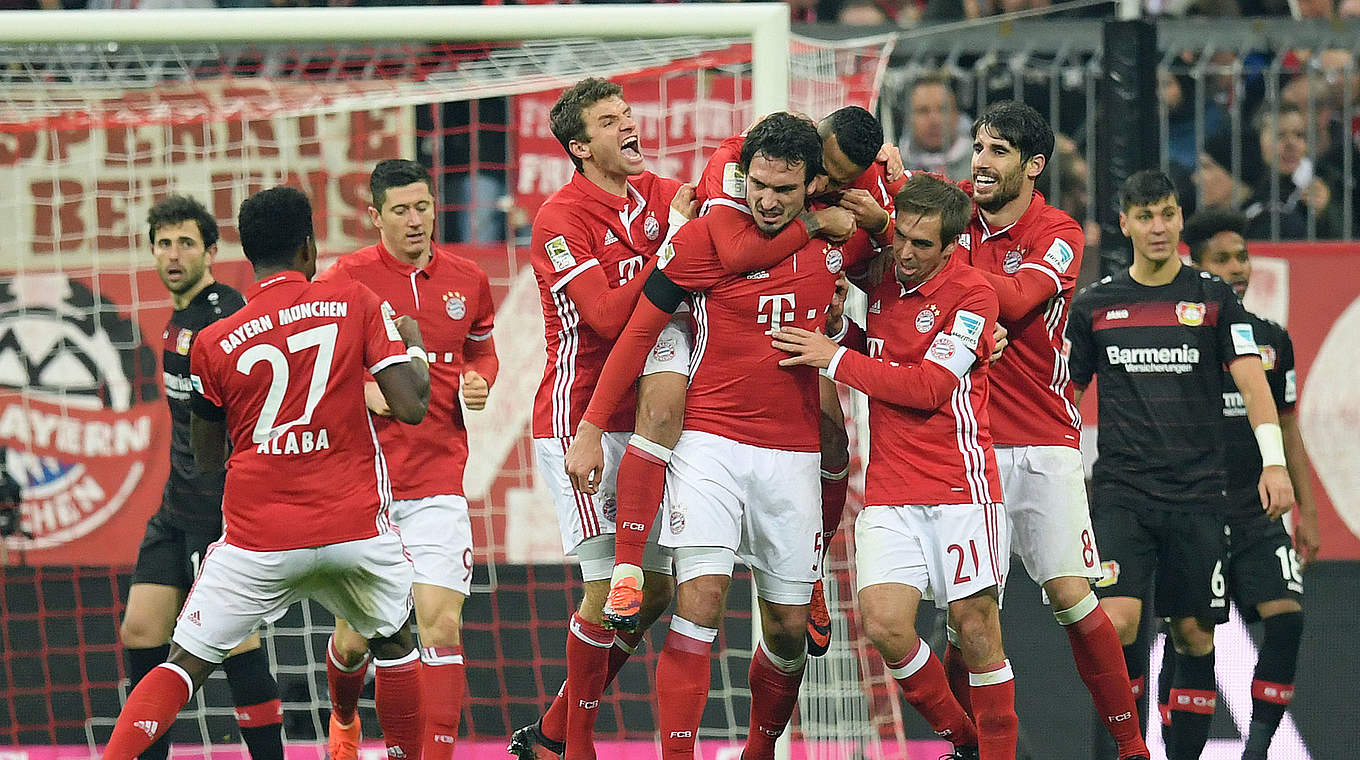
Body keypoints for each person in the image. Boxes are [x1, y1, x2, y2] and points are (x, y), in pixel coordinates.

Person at [567, 112, 873, 760]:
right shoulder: (709, 235)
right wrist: (592, 428)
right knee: (698, 605)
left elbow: (904, 272)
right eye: (758, 184)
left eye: (784, 192)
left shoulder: (840, 236)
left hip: (791, 454)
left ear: (812, 185)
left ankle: (760, 747)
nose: (766, 200)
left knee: (788, 633)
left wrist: (850, 300)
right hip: (712, 446)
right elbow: (637, 333)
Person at [99, 186, 431, 760]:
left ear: (246, 255)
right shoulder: (355, 300)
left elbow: (207, 458)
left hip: (260, 538)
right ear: (309, 247)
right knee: (397, 641)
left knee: (183, 665)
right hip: (353, 527)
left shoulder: (214, 339)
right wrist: (416, 351)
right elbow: (411, 407)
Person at [775, 172, 1016, 760]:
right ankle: (966, 742)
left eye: (922, 244)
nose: (905, 253)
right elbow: (883, 352)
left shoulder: (974, 295)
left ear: (952, 245)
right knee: (884, 626)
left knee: (977, 630)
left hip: (962, 489)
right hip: (888, 493)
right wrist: (842, 332)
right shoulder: (884, 282)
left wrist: (833, 358)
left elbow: (930, 386)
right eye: (901, 237)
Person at [1065, 170, 1296, 760]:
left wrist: (1275, 465)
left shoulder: (1214, 298)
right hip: (1122, 492)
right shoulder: (1096, 305)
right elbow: (1064, 394)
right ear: (1125, 225)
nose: (1159, 227)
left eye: (1167, 214)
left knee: (1194, 637)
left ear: (1177, 219)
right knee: (1116, 624)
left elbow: (1253, 383)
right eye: (1145, 217)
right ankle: (1128, 747)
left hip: (1198, 496)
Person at [959, 101, 1150, 760]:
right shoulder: (951, 211)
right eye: (978, 147)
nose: (982, 161)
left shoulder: (1059, 230)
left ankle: (1132, 748)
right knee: (966, 615)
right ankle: (970, 746)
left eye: (999, 151)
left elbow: (1012, 302)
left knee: (1072, 596)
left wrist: (940, 272)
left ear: (1034, 166)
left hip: (1044, 442)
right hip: (967, 443)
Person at [318, 159, 498, 760]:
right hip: (367, 488)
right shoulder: (345, 280)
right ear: (375, 216)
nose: (416, 220)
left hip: (440, 478)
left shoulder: (468, 278)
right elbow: (316, 375)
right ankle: (344, 713)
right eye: (400, 210)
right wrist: (368, 393)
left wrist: (479, 380)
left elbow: (483, 351)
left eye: (423, 206)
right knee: (357, 641)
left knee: (440, 626)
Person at [118, 195, 283, 760]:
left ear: (211, 250)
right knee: (141, 629)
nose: (173, 254)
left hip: (217, 509)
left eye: (186, 242)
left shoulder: (224, 313)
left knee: (236, 642)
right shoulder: (178, 318)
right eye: (163, 243)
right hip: (175, 504)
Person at [1153, 208, 1320, 760]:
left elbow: (1289, 429)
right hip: (1195, 512)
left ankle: (1259, 749)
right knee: (1189, 642)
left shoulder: (1272, 341)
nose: (1238, 267)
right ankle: (1176, 747)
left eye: (1242, 255)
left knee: (1287, 619)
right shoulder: (1178, 337)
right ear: (1196, 266)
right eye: (1222, 259)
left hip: (1256, 515)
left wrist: (1309, 512)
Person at [900, 72, 973, 182]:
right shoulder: (894, 168)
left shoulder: (979, 166)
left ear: (957, 113)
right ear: (907, 118)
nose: (934, 120)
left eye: (943, 109)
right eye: (923, 111)